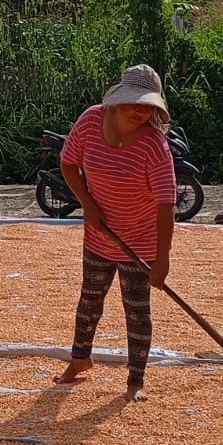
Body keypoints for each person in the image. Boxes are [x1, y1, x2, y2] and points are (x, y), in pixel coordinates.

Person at [53, 64, 176, 402]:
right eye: (134, 103)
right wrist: (88, 204)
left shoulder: (154, 145)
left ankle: (136, 380)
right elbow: (68, 163)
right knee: (90, 299)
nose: (140, 112)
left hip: (140, 241)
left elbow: (166, 203)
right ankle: (80, 359)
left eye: (147, 106)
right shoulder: (91, 121)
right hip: (100, 235)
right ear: (117, 101)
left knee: (137, 310)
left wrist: (162, 259)